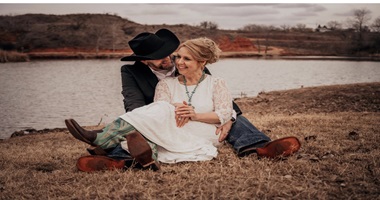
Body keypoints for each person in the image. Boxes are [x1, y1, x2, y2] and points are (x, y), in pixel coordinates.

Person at [65, 29, 301, 172]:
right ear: (144, 61)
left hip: (202, 119)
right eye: (158, 58)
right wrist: (163, 114)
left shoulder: (194, 66)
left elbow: (221, 102)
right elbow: (135, 105)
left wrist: (228, 117)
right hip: (159, 118)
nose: (171, 61)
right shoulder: (133, 73)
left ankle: (259, 145)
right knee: (145, 126)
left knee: (236, 118)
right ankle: (117, 157)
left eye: (171, 54)